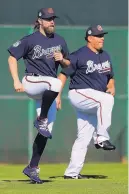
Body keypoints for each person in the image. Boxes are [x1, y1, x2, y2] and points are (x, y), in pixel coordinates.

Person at [7, 8, 70, 184]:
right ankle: (40, 119)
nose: (52, 22)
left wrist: (62, 60)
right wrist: (15, 81)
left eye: (53, 19)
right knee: (54, 83)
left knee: (46, 131)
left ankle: (32, 167)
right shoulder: (30, 39)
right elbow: (12, 57)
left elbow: (68, 67)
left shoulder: (60, 41)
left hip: (48, 90)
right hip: (32, 82)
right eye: (48, 19)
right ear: (40, 21)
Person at [58, 25, 116, 179]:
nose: (102, 38)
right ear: (90, 38)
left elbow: (110, 76)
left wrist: (112, 86)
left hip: (93, 100)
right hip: (79, 93)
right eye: (98, 36)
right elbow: (63, 74)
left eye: (102, 35)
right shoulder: (79, 55)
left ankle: (71, 173)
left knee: (83, 137)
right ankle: (102, 137)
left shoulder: (106, 56)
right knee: (107, 99)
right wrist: (56, 95)